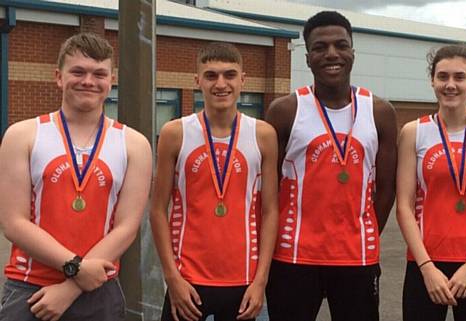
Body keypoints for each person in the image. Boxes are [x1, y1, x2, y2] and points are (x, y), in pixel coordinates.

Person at [0, 32, 152, 321]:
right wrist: (76, 268)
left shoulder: (134, 144)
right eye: (78, 71)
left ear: (111, 80)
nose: (88, 81)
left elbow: (127, 228)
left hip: (100, 291)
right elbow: (13, 223)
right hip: (30, 288)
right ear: (58, 76)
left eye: (99, 74)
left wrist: (71, 287)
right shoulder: (22, 135)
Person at [264, 10, 397, 321]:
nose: (332, 54)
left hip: (356, 257)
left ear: (353, 52)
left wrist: (361, 232)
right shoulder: (285, 110)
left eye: (341, 45)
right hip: (294, 256)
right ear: (308, 57)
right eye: (320, 48)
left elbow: (387, 187)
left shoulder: (379, 111)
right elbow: (267, 187)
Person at [150, 42, 278, 321]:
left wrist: (260, 281)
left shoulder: (263, 134)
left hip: (243, 279)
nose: (221, 84)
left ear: (243, 79)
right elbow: (158, 209)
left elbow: (270, 211)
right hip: (187, 279)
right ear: (197, 81)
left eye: (229, 75)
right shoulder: (175, 133)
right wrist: (172, 278)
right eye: (211, 76)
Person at [396, 44, 466, 321]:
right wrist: (426, 266)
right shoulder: (414, 132)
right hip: (425, 264)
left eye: (459, 77)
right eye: (442, 76)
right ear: (432, 80)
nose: (450, 85)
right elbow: (404, 205)